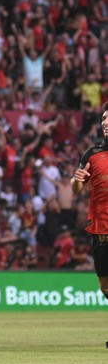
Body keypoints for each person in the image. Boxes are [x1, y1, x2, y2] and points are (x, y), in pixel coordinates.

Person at [72, 109, 108, 344]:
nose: (105, 123)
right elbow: (76, 189)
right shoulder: (92, 153)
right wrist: (76, 181)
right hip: (101, 229)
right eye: (104, 119)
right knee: (105, 286)